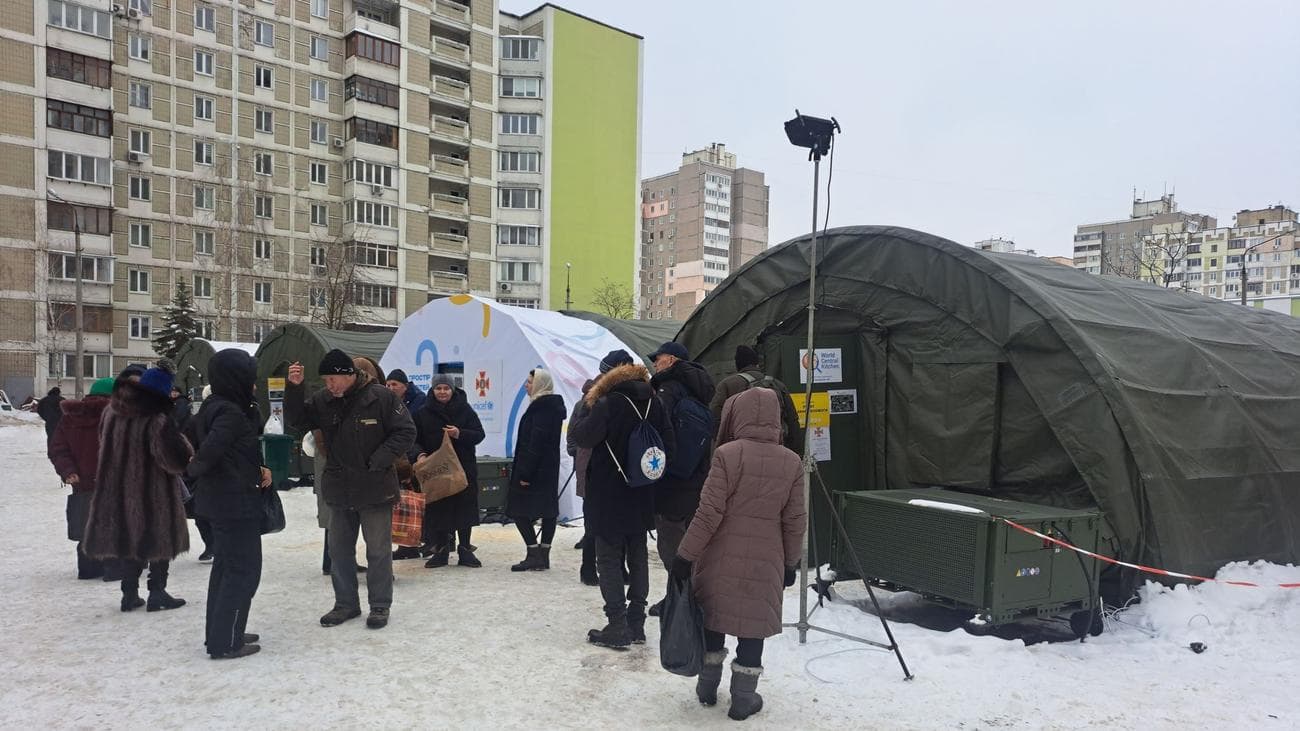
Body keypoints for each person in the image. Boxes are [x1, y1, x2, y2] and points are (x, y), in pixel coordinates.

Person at [671, 387, 806, 721]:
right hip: (767, 559)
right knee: (752, 627)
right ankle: (744, 699)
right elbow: (794, 521)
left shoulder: (727, 455)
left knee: (714, 618)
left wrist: (685, 555)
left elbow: (708, 513)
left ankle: (706, 687)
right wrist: (791, 563)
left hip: (719, 555)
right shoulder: (791, 462)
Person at [284, 349, 415, 630]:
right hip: (340, 487)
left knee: (378, 551)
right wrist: (294, 389)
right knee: (339, 551)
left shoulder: (381, 397)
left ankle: (380, 605)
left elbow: (406, 431)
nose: (330, 385)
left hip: (375, 487)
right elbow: (297, 421)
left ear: (350, 375)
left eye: (333, 379)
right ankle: (345, 603)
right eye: (325, 380)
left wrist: (380, 459)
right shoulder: (323, 400)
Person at [569, 358, 675, 648]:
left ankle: (617, 625)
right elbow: (670, 444)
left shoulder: (608, 404)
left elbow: (582, 436)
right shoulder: (655, 404)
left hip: (607, 493)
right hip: (642, 490)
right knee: (637, 554)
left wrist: (589, 403)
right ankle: (636, 624)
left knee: (608, 558)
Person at [83, 367, 192, 612]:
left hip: (117, 487)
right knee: (160, 538)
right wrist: (182, 443)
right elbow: (173, 458)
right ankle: (157, 591)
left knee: (131, 538)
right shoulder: (156, 419)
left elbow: (105, 442)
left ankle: (129, 594)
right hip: (152, 490)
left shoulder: (111, 412)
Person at [187, 349, 272, 660]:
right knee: (242, 572)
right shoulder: (229, 413)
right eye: (250, 378)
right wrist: (200, 471)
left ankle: (225, 632)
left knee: (226, 570)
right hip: (234, 505)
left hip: (224, 502)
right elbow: (208, 454)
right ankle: (226, 641)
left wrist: (254, 468)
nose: (254, 385)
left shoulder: (216, 406)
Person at [647, 341, 716, 617]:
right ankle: (684, 596)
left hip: (672, 480)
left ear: (672, 360)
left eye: (658, 358)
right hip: (695, 476)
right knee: (689, 540)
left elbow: (655, 431)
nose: (654, 363)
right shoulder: (699, 388)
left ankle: (680, 601)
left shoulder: (668, 389)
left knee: (671, 542)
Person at [568, 350, 635, 586]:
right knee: (593, 522)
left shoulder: (624, 395)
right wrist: (579, 454)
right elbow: (575, 432)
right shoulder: (592, 397)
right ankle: (588, 568)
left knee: (620, 520)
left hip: (617, 467)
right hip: (594, 468)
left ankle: (619, 567)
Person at [410, 374, 485, 568]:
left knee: (464, 509)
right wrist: (419, 455)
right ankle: (441, 550)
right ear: (432, 390)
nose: (442, 392)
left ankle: (465, 549)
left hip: (463, 468)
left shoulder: (465, 410)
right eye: (438, 388)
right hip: (437, 470)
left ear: (452, 390)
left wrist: (460, 433)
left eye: (446, 388)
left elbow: (479, 434)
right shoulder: (422, 412)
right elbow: (413, 439)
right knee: (439, 509)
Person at [46, 377, 115, 579]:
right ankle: (112, 567)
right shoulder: (117, 416)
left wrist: (68, 471)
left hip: (82, 481)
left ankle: (88, 568)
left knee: (87, 522)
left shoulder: (70, 417)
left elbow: (57, 449)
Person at [505, 368, 566, 572]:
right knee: (548, 511)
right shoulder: (551, 407)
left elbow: (535, 444)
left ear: (539, 384)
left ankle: (534, 553)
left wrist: (525, 473)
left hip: (535, 469)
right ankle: (544, 554)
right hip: (548, 469)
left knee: (518, 509)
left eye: (530, 382)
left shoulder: (541, 409)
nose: (526, 385)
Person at [709, 345, 802, 454]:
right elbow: (792, 420)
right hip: (775, 449)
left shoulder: (727, 385)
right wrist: (796, 451)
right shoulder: (777, 385)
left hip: (740, 451)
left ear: (737, 365)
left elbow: (715, 418)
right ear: (757, 363)